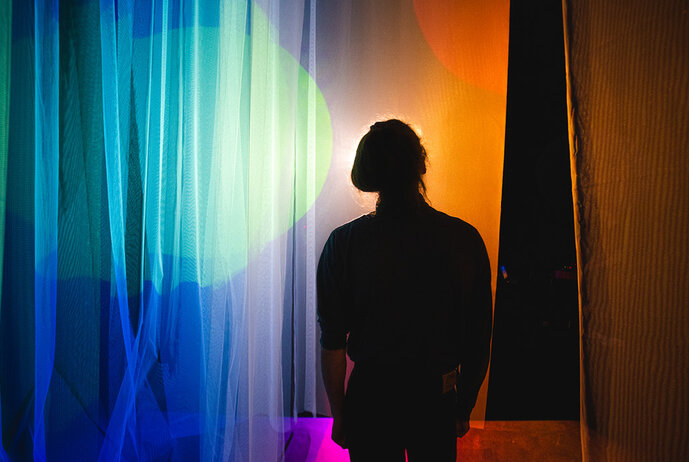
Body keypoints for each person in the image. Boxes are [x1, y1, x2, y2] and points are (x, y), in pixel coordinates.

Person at [317, 119, 493, 461]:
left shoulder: (343, 243)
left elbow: (333, 342)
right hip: (435, 399)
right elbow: (478, 338)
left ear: (368, 171)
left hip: (371, 399)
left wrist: (340, 414)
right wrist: (464, 404)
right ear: (421, 164)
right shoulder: (464, 240)